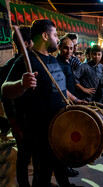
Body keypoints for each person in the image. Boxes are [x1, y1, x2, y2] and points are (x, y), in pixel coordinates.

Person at [1, 19, 83, 187]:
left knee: (61, 164)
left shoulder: (53, 60)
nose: (57, 39)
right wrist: (21, 84)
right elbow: (4, 90)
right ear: (45, 36)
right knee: (43, 171)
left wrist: (75, 100)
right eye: (54, 35)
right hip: (40, 130)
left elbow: (58, 86)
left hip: (59, 126)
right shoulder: (26, 61)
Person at [0, 26, 37, 187]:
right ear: (27, 44)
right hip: (22, 121)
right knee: (23, 156)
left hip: (35, 120)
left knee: (37, 156)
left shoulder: (36, 61)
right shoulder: (11, 66)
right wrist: (14, 125)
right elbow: (6, 97)